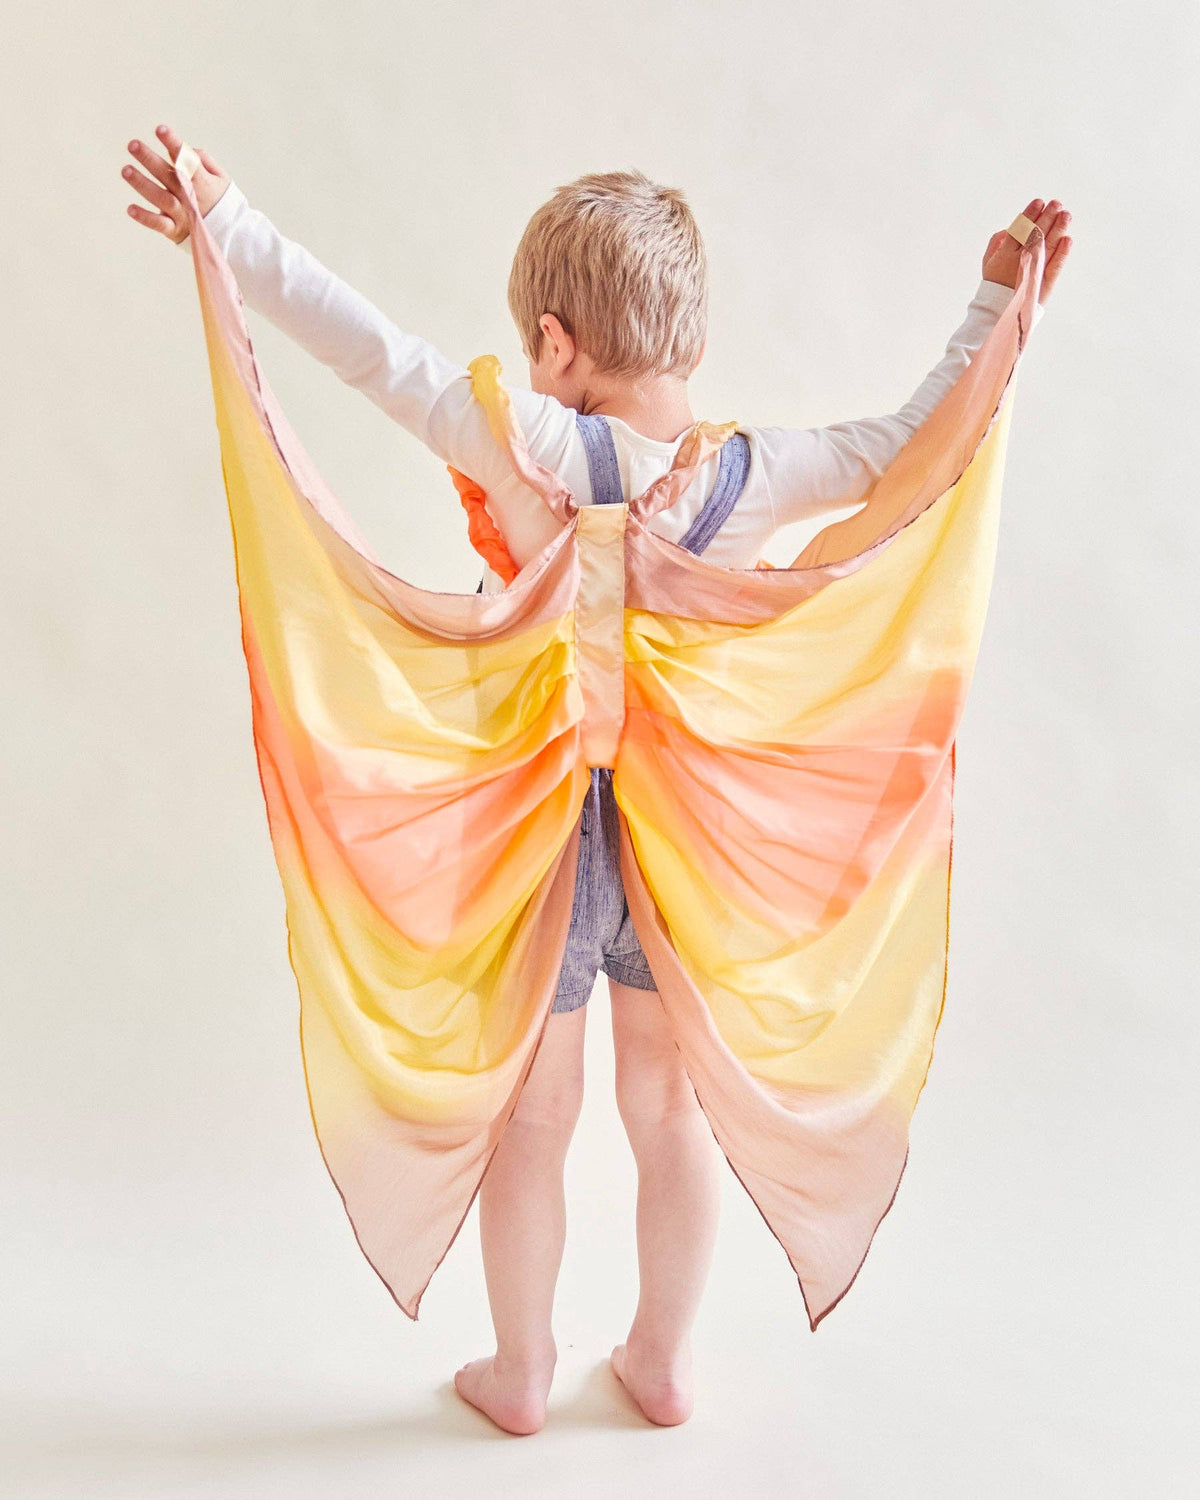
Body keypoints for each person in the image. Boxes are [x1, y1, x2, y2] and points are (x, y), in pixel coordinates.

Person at [122, 123, 1072, 1435]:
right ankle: (662, 1359)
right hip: (688, 840)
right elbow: (919, 446)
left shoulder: (525, 449)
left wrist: (224, 225)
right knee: (667, 1100)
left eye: (535, 349)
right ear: (682, 340)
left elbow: (362, 345)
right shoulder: (758, 475)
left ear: (558, 346)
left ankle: (519, 1372)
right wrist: (997, 305)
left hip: (541, 834)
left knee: (535, 1110)